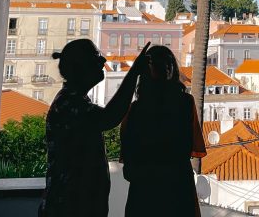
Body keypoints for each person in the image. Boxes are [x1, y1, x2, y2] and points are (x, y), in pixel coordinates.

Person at [40, 38, 150, 217]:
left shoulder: (71, 100)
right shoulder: (70, 104)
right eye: (96, 56)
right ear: (81, 66)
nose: (103, 61)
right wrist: (134, 72)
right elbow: (109, 118)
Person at [120, 44, 206, 216]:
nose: (165, 68)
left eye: (167, 64)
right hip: (178, 187)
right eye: (162, 64)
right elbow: (190, 145)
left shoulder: (135, 109)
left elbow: (128, 161)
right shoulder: (185, 103)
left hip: (144, 191)